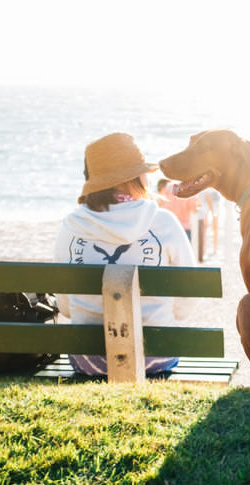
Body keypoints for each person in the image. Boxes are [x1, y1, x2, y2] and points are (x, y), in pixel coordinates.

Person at [53, 133, 196, 375]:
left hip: (89, 359)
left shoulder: (71, 225)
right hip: (156, 355)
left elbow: (65, 308)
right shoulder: (163, 221)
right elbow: (187, 301)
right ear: (135, 178)